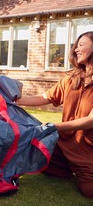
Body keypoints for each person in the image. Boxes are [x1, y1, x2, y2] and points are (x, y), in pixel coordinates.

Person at [16, 31, 93, 198]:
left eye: (81, 45)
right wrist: (17, 101)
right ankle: (66, 167)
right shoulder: (71, 78)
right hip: (64, 146)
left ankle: (78, 169)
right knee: (35, 158)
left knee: (89, 192)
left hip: (88, 150)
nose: (76, 50)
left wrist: (55, 126)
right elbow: (46, 97)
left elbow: (90, 121)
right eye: (76, 46)